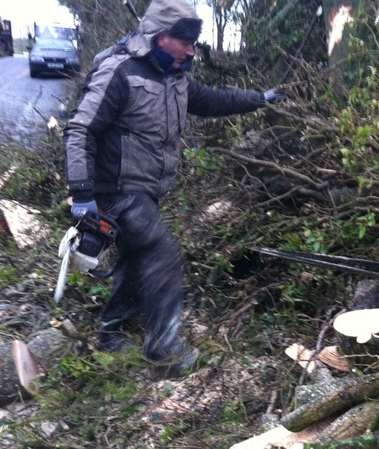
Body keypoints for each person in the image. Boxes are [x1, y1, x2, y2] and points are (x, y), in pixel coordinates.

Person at [64, 0, 281, 378]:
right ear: (162, 38)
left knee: (135, 257)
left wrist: (259, 99)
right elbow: (80, 130)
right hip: (114, 188)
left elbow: (211, 99)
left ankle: (111, 333)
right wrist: (82, 195)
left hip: (146, 189)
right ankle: (164, 349)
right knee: (161, 253)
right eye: (186, 42)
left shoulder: (175, 76)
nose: (192, 50)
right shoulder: (119, 70)